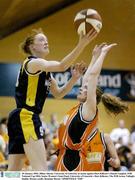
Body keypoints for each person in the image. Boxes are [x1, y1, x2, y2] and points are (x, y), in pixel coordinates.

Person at [7, 28, 97, 171]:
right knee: (41, 170)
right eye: (41, 39)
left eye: (46, 39)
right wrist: (82, 43)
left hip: (18, 118)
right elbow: (62, 65)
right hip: (26, 117)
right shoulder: (33, 63)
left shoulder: (45, 72)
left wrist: (74, 79)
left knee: (13, 172)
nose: (46, 42)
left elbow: (59, 93)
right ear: (32, 46)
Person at [55, 43, 129, 171]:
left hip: (74, 162)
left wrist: (103, 53)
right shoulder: (80, 107)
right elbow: (87, 78)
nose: (80, 88)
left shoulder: (89, 110)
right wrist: (94, 56)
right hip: (64, 157)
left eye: (85, 89)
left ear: (91, 94)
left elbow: (93, 76)